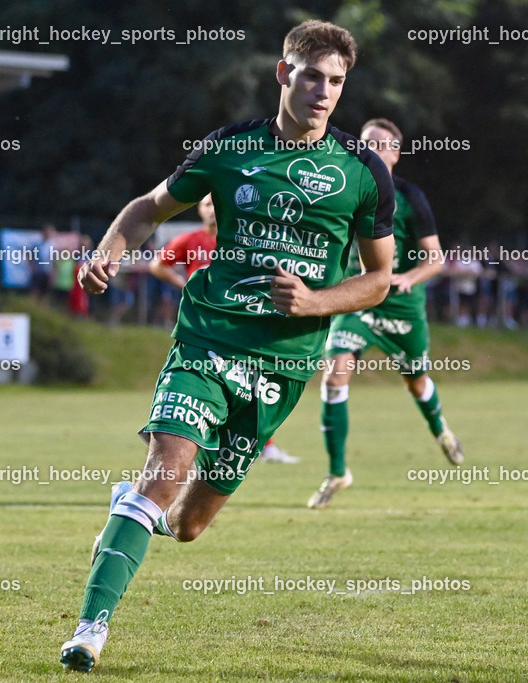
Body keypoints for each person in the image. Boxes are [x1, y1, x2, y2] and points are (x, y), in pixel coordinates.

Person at [60, 20, 395, 673]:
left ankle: (130, 516)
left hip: (286, 363)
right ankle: (90, 626)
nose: (323, 91)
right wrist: (106, 254)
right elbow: (147, 208)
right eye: (311, 76)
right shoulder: (229, 148)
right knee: (165, 469)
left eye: (336, 81)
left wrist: (317, 301)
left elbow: (380, 278)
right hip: (209, 339)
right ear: (283, 74)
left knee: (185, 524)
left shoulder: (363, 173)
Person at [308, 117, 464, 510]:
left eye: (379, 144)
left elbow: (435, 260)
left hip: (400, 304)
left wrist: (410, 277)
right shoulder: (346, 188)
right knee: (334, 373)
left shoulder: (412, 198)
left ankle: (440, 429)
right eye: (364, 143)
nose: (369, 149)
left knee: (416, 381)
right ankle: (338, 471)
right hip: (358, 298)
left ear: (395, 154)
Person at [149, 194, 299, 464]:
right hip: (202, 324)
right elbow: (158, 264)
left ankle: (261, 445)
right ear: (198, 210)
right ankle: (182, 439)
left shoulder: (241, 237)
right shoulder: (191, 240)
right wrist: (183, 283)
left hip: (238, 323)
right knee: (204, 383)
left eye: (217, 203)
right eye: (207, 204)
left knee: (250, 382)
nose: (212, 209)